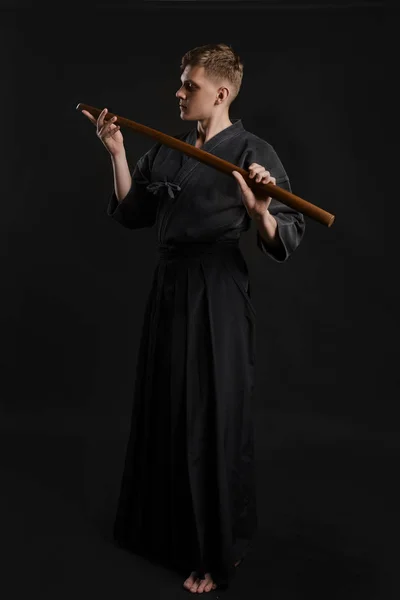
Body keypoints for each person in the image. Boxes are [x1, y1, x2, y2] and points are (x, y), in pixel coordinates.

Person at [82, 42, 305, 594]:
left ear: (221, 93)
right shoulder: (171, 150)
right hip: (170, 286)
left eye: (190, 86)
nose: (179, 93)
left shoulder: (254, 151)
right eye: (181, 84)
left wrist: (259, 210)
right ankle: (163, 536)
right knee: (166, 405)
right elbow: (134, 212)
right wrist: (115, 152)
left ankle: (213, 552)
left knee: (211, 414)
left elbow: (287, 235)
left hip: (218, 291)